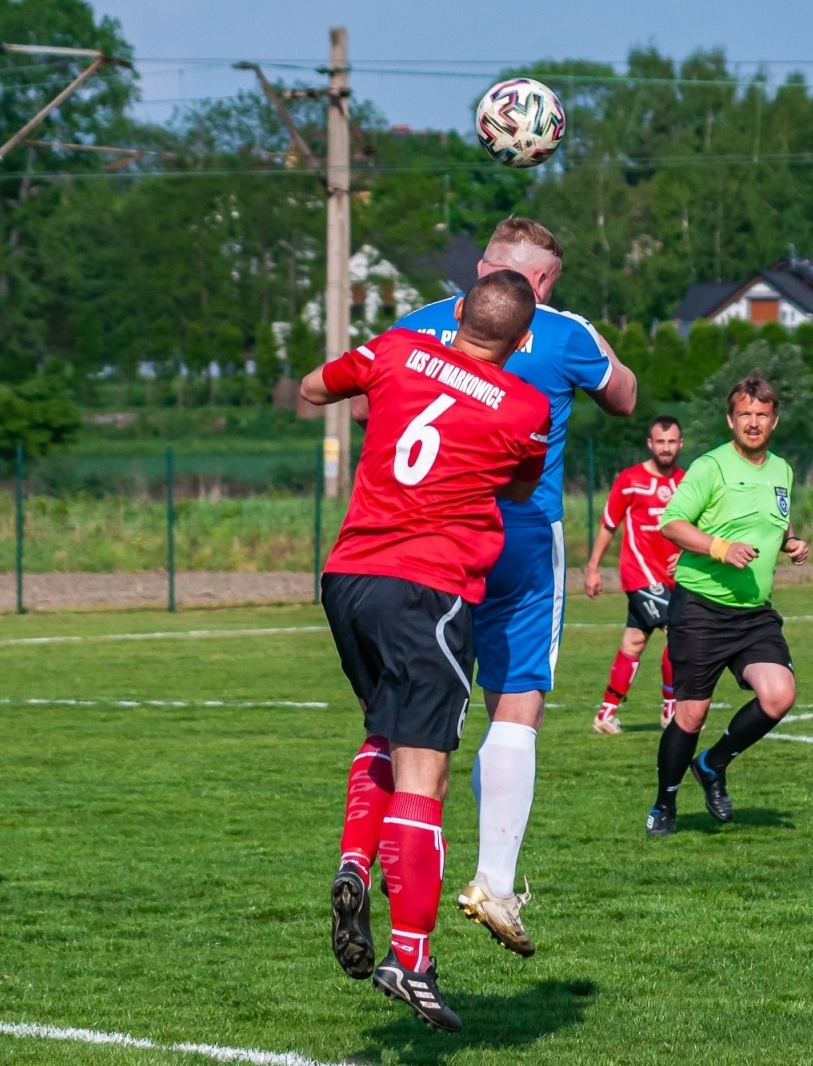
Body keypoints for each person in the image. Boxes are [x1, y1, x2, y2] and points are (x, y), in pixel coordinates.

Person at [306, 270, 551, 1032]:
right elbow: (518, 486)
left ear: (455, 314)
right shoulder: (526, 405)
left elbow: (314, 386)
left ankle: (355, 861)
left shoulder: (396, 348)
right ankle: (411, 959)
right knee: (426, 774)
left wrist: (387, 381)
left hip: (348, 577)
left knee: (381, 732)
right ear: (524, 340)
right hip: (431, 590)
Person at [393, 217, 636, 957]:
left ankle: (394, 876)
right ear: (538, 284)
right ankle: (494, 882)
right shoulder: (563, 332)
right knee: (517, 706)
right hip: (522, 535)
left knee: (413, 720)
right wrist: (593, 335)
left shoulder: (417, 326)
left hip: (429, 532)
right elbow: (625, 396)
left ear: (480, 268)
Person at [646, 372, 809, 837]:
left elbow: (775, 521)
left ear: (774, 420)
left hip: (754, 613)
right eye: (745, 415)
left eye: (761, 415)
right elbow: (673, 524)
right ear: (730, 419)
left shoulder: (782, 469)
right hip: (701, 607)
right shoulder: (710, 467)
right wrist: (720, 548)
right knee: (692, 714)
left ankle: (713, 764)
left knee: (779, 695)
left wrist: (791, 543)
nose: (753, 423)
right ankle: (664, 803)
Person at [583, 416, 686, 734]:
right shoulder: (629, 480)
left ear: (680, 444)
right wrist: (593, 568)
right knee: (680, 634)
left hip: (673, 578)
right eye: (660, 442)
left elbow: (696, 525)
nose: (666, 448)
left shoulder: (686, 480)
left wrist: (685, 553)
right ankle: (672, 711)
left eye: (672, 442)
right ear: (650, 444)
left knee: (634, 642)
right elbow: (609, 524)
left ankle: (606, 714)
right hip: (639, 574)